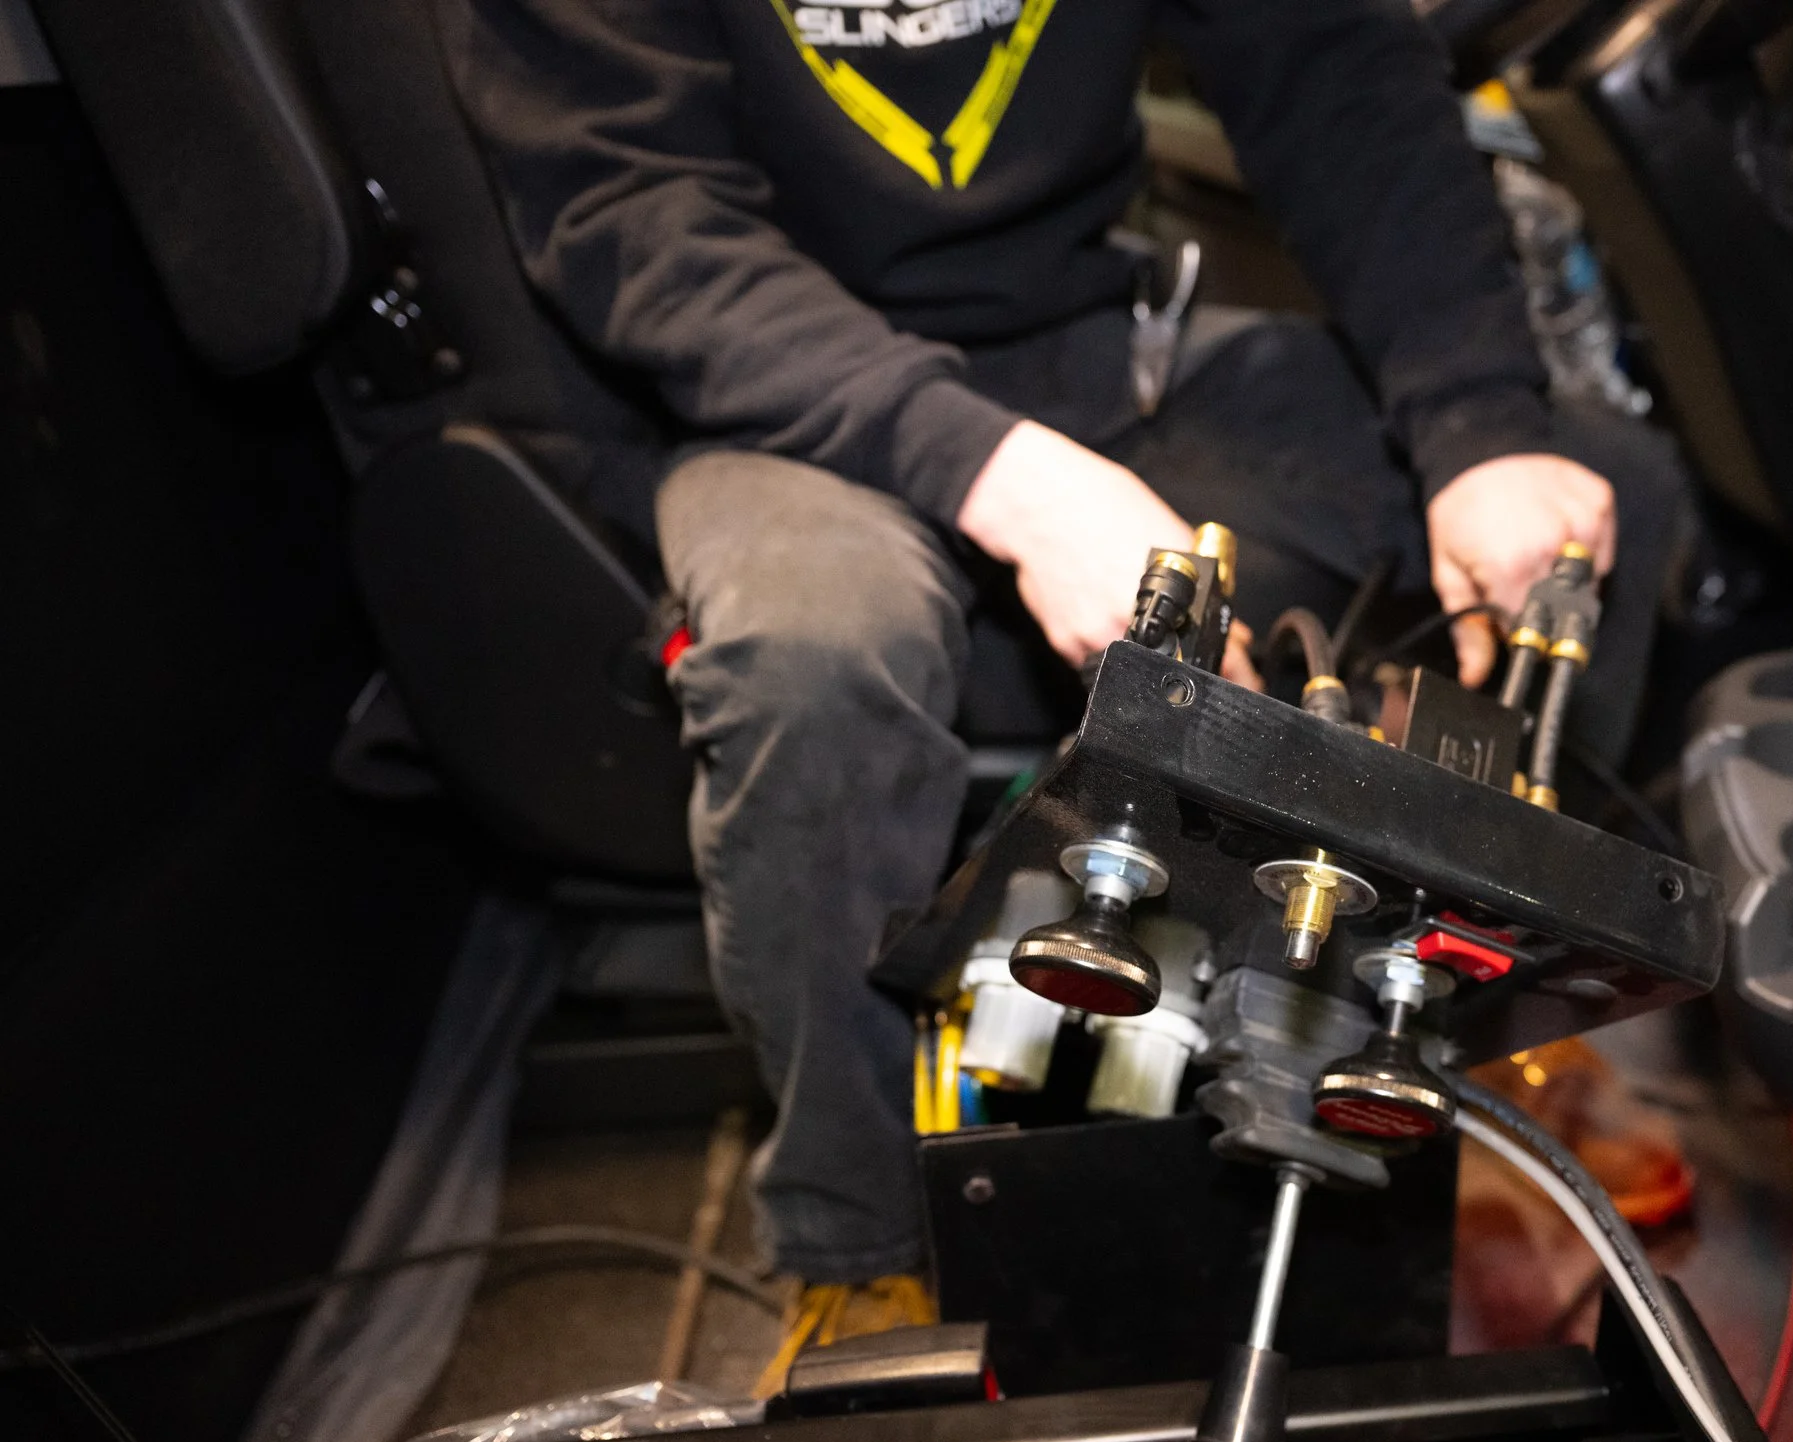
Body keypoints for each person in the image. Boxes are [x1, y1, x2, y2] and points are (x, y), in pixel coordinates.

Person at [443, 0, 1696, 1350]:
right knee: (812, 658)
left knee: (1590, 505)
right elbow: (638, 221)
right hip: (764, 397)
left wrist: (1476, 421)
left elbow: (1331, 65)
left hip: (1084, 353)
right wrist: (1017, 489)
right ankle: (864, 1237)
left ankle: (1458, 1049)